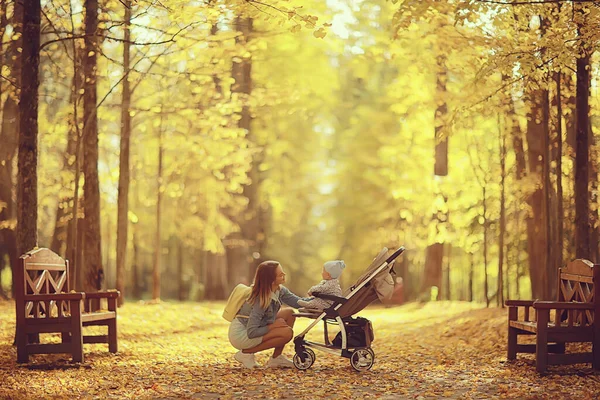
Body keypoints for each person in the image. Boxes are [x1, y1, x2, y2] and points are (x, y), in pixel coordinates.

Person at [228, 260, 309, 369]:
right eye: (280, 274)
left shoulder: (279, 290)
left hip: (256, 327)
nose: (284, 275)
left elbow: (298, 302)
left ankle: (276, 358)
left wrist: (319, 301)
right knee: (286, 333)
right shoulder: (260, 300)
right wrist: (272, 326)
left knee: (289, 313)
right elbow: (252, 332)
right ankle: (246, 353)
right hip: (242, 334)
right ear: (271, 280)